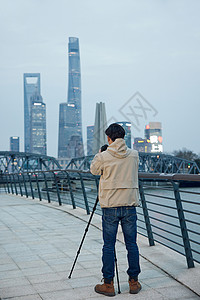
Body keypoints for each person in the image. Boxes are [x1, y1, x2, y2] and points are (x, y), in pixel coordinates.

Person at [90, 123, 141, 297]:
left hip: (110, 206)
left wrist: (100, 154)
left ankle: (108, 284)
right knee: (132, 245)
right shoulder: (134, 155)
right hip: (129, 205)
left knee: (108, 246)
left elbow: (94, 171)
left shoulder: (103, 156)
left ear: (109, 138)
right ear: (123, 137)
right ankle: (134, 282)